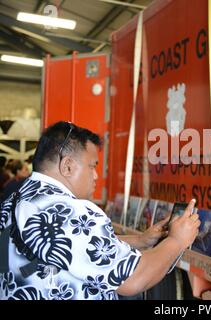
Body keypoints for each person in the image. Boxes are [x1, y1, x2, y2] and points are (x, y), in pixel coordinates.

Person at [0, 121, 200, 300]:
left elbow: (73, 246)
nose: (96, 176)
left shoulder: (17, 199)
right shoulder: (67, 210)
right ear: (67, 166)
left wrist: (141, 241)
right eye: (92, 166)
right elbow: (134, 278)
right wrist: (177, 241)